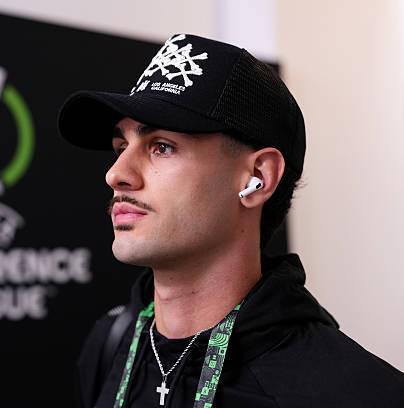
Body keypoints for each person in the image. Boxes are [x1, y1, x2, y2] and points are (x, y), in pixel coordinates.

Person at [57, 34, 404, 408]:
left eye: (162, 147)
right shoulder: (110, 345)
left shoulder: (355, 393)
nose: (116, 174)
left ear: (258, 177)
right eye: (121, 147)